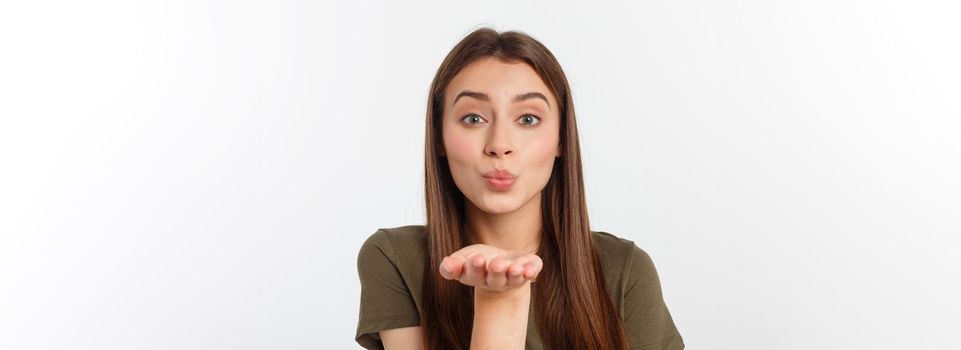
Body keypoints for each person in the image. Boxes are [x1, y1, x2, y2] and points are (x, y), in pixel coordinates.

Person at [355, 27, 684, 350]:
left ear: (561, 140)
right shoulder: (395, 257)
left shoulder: (623, 270)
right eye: (473, 118)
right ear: (439, 136)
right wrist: (499, 301)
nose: (499, 145)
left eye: (527, 119)